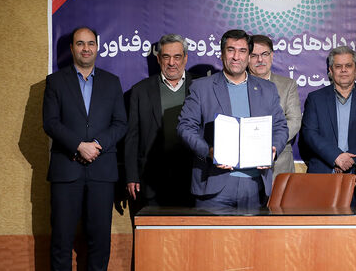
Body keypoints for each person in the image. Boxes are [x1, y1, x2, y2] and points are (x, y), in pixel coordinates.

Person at [42, 26, 127, 271]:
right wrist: (79, 145)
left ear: (97, 47)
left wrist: (97, 145)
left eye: (91, 43)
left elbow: (121, 124)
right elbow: (50, 122)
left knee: (99, 240)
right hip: (67, 170)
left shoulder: (112, 82)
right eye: (80, 43)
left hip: (102, 172)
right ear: (72, 49)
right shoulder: (55, 82)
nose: (86, 48)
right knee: (62, 240)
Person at [177, 29, 288, 210]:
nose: (236, 57)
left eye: (242, 51)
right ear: (222, 54)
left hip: (255, 185)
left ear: (249, 56)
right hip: (214, 185)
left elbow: (280, 126)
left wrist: (273, 149)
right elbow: (185, 127)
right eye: (231, 50)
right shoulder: (201, 88)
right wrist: (208, 151)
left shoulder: (267, 89)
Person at [124, 34, 196, 214]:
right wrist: (132, 175)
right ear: (158, 59)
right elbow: (132, 137)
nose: (172, 63)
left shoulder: (200, 87)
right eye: (166, 57)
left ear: (185, 58)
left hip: (191, 179)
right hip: (151, 180)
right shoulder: (140, 91)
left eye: (177, 57)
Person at [300, 46, 356, 204]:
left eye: (348, 66)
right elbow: (309, 133)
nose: (344, 70)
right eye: (338, 66)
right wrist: (336, 157)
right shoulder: (315, 99)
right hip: (323, 175)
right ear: (330, 70)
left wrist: (349, 161)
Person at [247, 34, 301, 177]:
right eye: (254, 55)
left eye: (264, 54)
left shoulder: (288, 85)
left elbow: (294, 121)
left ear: (272, 55)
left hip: (280, 162)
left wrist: (269, 143)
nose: (260, 60)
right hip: (246, 161)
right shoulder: (239, 85)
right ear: (246, 58)